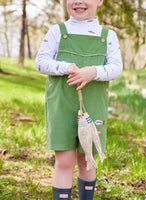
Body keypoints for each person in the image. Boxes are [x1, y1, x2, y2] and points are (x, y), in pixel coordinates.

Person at [35, 0, 123, 199]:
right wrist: (65, 67)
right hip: (62, 106)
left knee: (87, 160)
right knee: (65, 161)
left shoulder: (108, 36)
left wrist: (94, 71)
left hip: (93, 107)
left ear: (100, 1)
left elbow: (116, 68)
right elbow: (40, 62)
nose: (79, 1)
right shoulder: (58, 31)